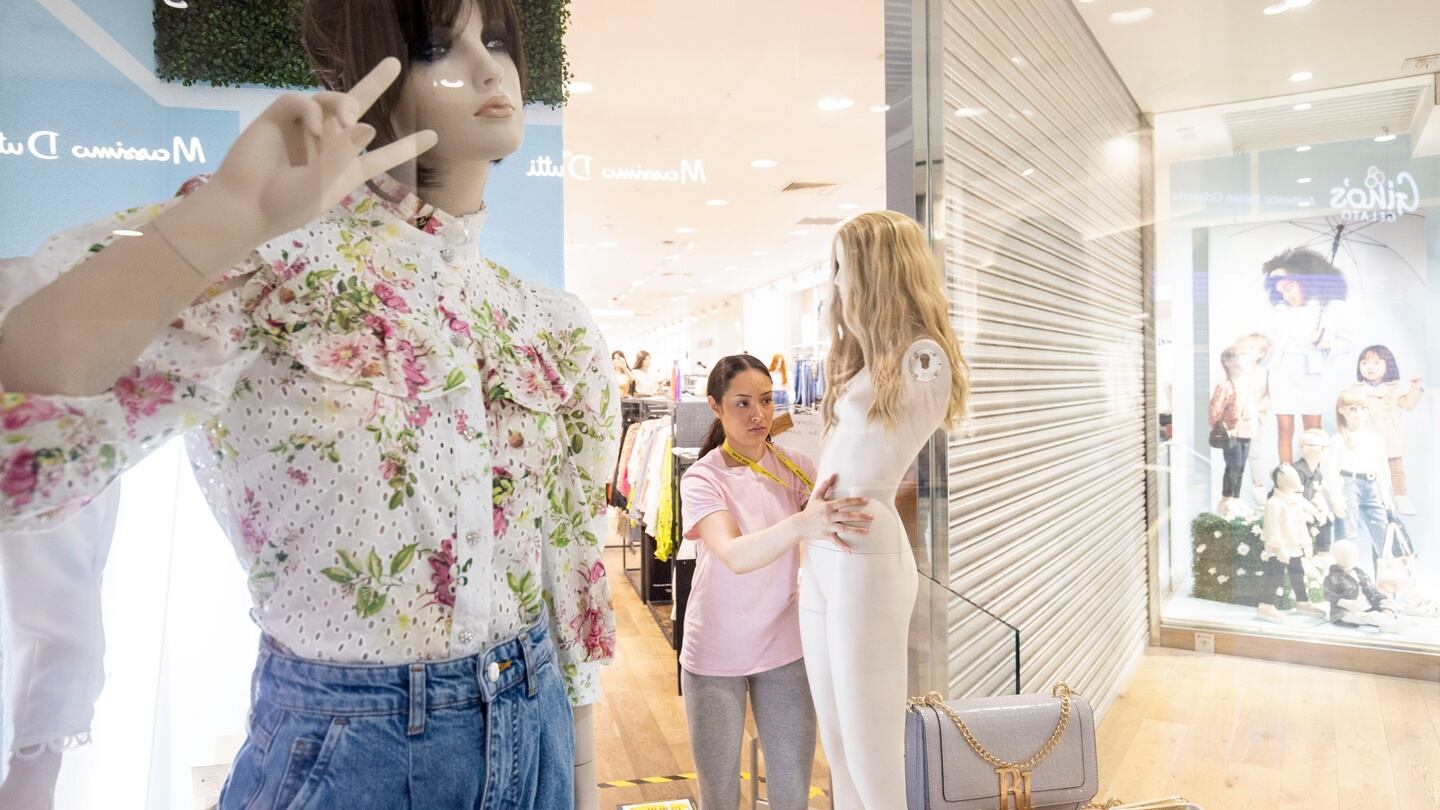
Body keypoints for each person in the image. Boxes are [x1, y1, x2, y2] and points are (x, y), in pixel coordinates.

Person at [0, 1, 617, 807]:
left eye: (496, 40)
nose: (486, 66)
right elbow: (22, 431)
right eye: (437, 47)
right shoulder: (275, 267)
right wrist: (222, 219)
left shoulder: (548, 323)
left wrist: (580, 776)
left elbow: (569, 559)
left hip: (536, 725)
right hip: (352, 746)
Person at [803, 211, 968, 809]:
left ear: (876, 269)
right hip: (822, 551)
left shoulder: (921, 358)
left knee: (872, 752)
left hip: (864, 553)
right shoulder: (866, 360)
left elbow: (890, 448)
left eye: (844, 266)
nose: (836, 282)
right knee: (839, 743)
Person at [680, 354, 871, 810]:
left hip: (785, 647)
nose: (759, 415)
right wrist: (804, 524)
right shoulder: (703, 477)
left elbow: (841, 516)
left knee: (792, 791)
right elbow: (734, 554)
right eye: (742, 403)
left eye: (766, 401)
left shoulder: (797, 466)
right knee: (719, 797)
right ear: (715, 406)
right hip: (715, 653)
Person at [1262, 248, 1350, 464]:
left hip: (1311, 374)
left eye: (1289, 288)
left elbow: (1346, 343)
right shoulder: (1279, 312)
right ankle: (1286, 474)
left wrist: (1325, 344)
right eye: (1281, 291)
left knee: (1312, 430)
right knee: (1284, 428)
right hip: (1282, 373)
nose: (1286, 296)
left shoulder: (1328, 309)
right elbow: (1270, 346)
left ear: (1304, 279)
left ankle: (1313, 474)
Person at [1346, 344, 1423, 515]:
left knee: (1396, 469)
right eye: (1364, 363)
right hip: (1366, 434)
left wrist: (1415, 388)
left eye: (1376, 363)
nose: (1370, 367)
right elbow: (1347, 410)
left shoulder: (1394, 388)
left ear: (1388, 365)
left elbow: (1408, 405)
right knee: (1368, 469)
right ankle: (1373, 499)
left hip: (1389, 433)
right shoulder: (1356, 389)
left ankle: (1401, 497)